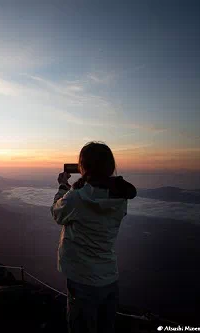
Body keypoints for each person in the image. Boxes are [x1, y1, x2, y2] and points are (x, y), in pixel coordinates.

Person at [50, 141, 137, 333]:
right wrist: (85, 183)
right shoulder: (120, 197)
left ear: (83, 166)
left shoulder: (76, 198)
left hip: (81, 279)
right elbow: (98, 197)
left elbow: (57, 213)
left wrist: (64, 186)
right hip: (109, 277)